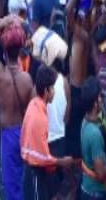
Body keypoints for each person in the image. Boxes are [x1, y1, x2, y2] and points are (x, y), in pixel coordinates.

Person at [0, 15, 32, 200]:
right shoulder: (27, 79)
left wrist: (2, 25)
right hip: (23, 131)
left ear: (4, 49)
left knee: (11, 183)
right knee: (24, 177)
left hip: (8, 133)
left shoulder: (0, 75)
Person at [20, 65, 74, 200]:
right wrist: (63, 162)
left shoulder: (34, 104)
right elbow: (42, 158)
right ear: (46, 91)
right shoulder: (41, 118)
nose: (55, 92)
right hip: (35, 173)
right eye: (53, 89)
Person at [78, 84, 106, 200]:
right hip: (95, 193)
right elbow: (100, 174)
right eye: (100, 97)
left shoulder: (84, 121)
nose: (102, 100)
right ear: (95, 103)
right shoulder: (95, 134)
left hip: (86, 187)